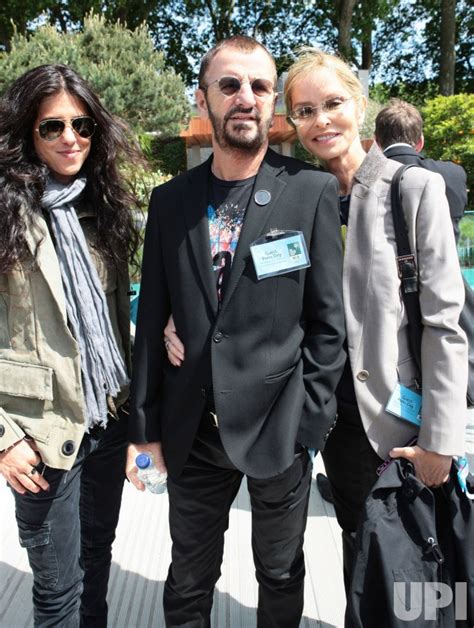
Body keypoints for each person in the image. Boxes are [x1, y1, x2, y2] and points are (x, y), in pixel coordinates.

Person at [126, 35, 346, 627]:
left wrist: (310, 423)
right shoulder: (170, 202)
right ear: (204, 99)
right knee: (188, 580)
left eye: (259, 87)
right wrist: (144, 431)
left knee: (279, 574)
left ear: (272, 102)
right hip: (192, 432)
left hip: (280, 430)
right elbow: (151, 321)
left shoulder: (310, 192)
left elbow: (328, 323)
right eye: (230, 85)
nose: (245, 97)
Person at [282, 48, 468, 604]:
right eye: (305, 111)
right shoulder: (300, 199)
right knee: (358, 550)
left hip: (400, 419)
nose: (321, 121)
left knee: (412, 564)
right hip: (334, 419)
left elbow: (444, 323)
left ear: (359, 105)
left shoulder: (410, 188)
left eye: (333, 103)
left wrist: (441, 438)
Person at [0, 64, 141, 627]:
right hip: (39, 434)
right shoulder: (7, 212)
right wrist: (5, 440)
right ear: (26, 134)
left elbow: (113, 320)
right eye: (51, 127)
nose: (69, 139)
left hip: (107, 421)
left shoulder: (102, 210)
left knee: (95, 564)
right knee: (58, 593)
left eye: (81, 125)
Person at [374, 98, 467, 242]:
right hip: (445, 263)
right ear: (420, 142)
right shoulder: (454, 174)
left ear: (377, 142)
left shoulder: (367, 174)